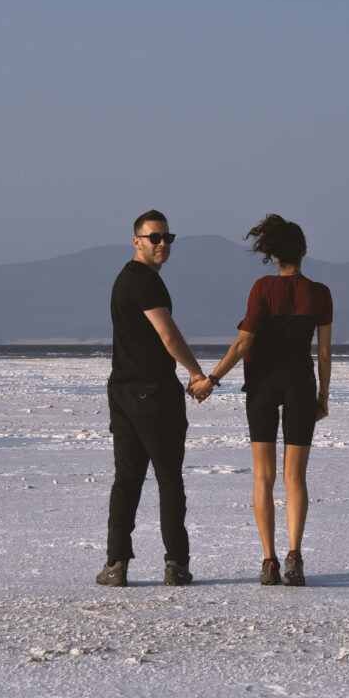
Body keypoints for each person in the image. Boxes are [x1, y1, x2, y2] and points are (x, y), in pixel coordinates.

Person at [195, 213, 332, 587]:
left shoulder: (262, 289)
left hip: (262, 388)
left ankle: (269, 560)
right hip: (301, 386)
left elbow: (243, 343)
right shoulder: (320, 293)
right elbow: (323, 351)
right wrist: (323, 395)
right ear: (304, 251)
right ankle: (295, 557)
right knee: (295, 477)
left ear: (273, 255)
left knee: (263, 476)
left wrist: (212, 380)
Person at [99, 210, 211, 587]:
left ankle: (116, 564)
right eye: (154, 238)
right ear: (137, 241)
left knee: (127, 481)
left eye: (168, 238)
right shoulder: (145, 282)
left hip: (124, 392)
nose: (162, 244)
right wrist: (197, 373)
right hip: (152, 394)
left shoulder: (126, 280)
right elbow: (169, 335)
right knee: (167, 480)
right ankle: (176, 564)